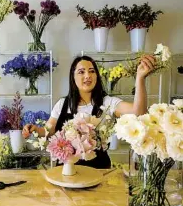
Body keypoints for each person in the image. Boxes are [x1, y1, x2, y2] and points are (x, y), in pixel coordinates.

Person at [22, 55, 155, 169]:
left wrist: (140, 78)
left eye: (92, 71)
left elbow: (138, 113)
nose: (87, 76)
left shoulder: (108, 103)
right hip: (66, 171)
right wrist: (34, 129)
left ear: (96, 76)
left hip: (98, 171)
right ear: (73, 77)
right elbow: (48, 131)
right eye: (81, 72)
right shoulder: (62, 104)